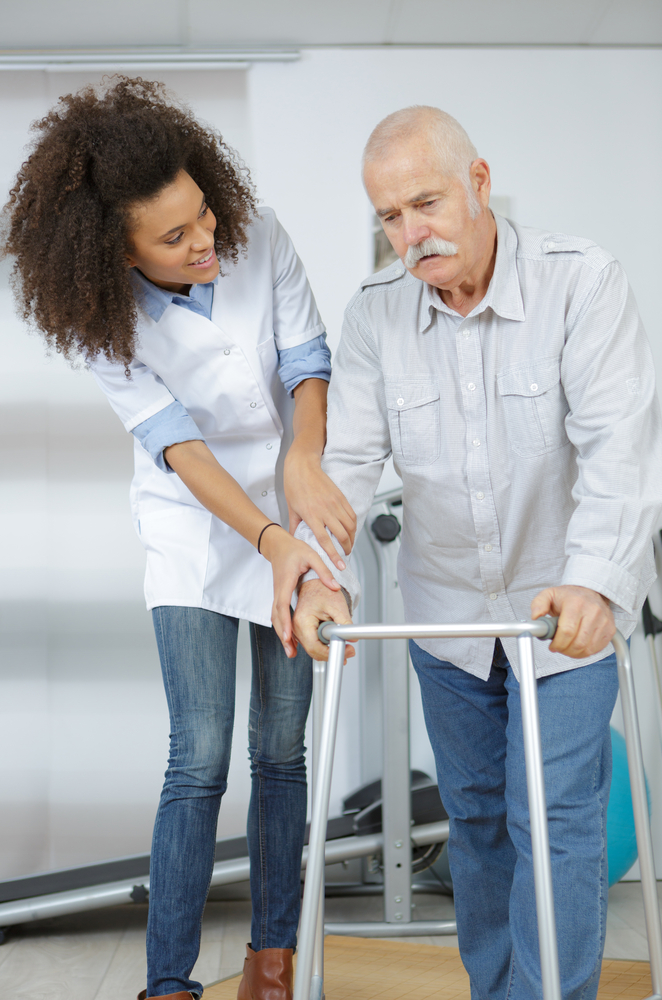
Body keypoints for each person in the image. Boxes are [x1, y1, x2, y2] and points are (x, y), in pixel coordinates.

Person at [288, 106, 662, 1000]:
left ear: (479, 182)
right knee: (478, 823)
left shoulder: (582, 283)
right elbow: (343, 466)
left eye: (426, 202)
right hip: (446, 614)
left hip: (561, 613)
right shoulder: (377, 314)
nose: (410, 234)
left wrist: (590, 582)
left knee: (559, 819)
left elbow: (621, 448)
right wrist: (316, 573)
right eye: (389, 216)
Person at [2, 77, 357, 1000]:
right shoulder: (98, 315)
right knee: (197, 755)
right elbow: (179, 448)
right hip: (191, 522)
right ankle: (166, 984)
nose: (205, 241)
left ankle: (271, 961)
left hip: (292, 488)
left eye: (203, 213)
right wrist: (267, 539)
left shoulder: (258, 232)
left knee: (281, 748)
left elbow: (306, 362)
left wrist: (304, 471)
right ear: (111, 249)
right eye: (173, 237)